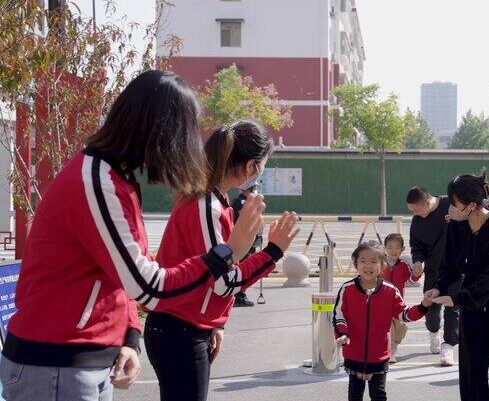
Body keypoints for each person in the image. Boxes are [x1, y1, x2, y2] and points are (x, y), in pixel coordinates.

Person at [0, 70, 264, 401]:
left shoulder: (115, 180)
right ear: (158, 130)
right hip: (56, 362)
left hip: (80, 361)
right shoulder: (97, 181)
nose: (188, 147)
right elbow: (148, 286)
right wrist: (225, 254)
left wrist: (128, 337)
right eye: (184, 133)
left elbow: (122, 275)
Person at [144, 120, 300, 401]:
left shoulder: (214, 200)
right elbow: (222, 281)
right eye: (261, 167)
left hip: (186, 326)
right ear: (251, 167)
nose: (259, 174)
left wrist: (216, 322)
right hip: (179, 329)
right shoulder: (207, 204)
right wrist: (273, 252)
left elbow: (214, 273)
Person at [426, 170, 489, 401]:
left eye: (453, 203)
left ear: (471, 205)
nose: (448, 208)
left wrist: (459, 298)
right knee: (472, 367)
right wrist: (439, 287)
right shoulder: (454, 227)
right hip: (471, 301)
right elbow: (449, 267)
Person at [333, 241, 432, 401]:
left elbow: (404, 314)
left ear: (383, 265)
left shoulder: (390, 291)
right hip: (353, 354)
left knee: (378, 395)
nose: (368, 265)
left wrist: (423, 306)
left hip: (379, 355)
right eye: (363, 261)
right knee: (354, 395)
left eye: (374, 261)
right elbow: (338, 316)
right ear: (355, 264)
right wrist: (343, 334)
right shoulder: (347, 289)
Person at [406, 186, 458, 366]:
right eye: (411, 210)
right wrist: (418, 261)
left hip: (456, 268)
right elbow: (416, 246)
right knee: (431, 310)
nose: (414, 213)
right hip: (433, 271)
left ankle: (448, 346)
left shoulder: (450, 204)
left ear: (427, 202)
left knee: (453, 308)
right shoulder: (417, 221)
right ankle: (434, 333)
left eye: (416, 209)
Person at [382, 233, 423, 363]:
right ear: (385, 248)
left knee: (398, 328)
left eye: (397, 248)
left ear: (402, 249)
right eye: (390, 247)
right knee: (387, 327)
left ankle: (392, 349)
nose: (393, 251)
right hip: (381, 301)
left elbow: (411, 279)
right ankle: (389, 352)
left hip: (397, 302)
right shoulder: (381, 264)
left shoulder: (404, 265)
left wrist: (417, 274)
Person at [231, 183, 265, 307]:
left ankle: (240, 293)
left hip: (250, 239)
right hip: (244, 240)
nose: (253, 192)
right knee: (243, 267)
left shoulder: (248, 202)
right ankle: (238, 295)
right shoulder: (241, 203)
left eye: (254, 189)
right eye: (251, 189)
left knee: (246, 266)